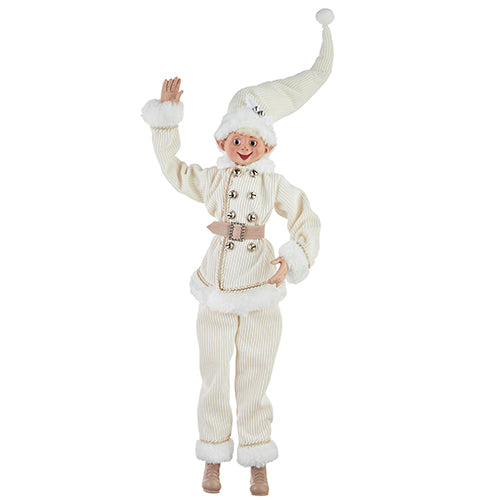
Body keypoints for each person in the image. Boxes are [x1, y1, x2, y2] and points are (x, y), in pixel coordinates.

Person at [142, 8, 334, 496]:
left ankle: (256, 456)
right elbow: (175, 171)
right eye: (236, 139)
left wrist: (294, 257)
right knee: (212, 373)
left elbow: (306, 215)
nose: (244, 146)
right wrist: (165, 125)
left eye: (252, 140)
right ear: (223, 140)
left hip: (260, 286)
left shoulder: (273, 183)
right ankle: (213, 454)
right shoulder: (213, 179)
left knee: (255, 373)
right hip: (215, 286)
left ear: (265, 145)